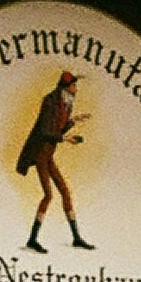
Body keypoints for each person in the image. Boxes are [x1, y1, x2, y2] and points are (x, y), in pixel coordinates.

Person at [16, 71, 90, 252]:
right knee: (48, 195)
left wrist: (73, 120)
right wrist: (66, 139)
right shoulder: (50, 101)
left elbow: (59, 127)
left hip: (49, 155)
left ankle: (76, 238)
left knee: (65, 192)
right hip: (41, 154)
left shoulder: (65, 104)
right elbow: (45, 131)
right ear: (66, 87)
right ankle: (32, 239)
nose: (76, 89)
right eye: (74, 86)